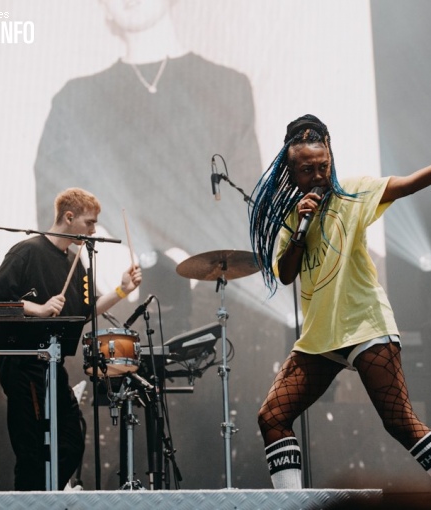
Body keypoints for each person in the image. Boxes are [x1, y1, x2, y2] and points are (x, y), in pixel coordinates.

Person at [248, 114, 431, 491]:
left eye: (324, 165)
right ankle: (290, 504)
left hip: (364, 325)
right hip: (321, 338)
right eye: (308, 169)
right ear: (291, 173)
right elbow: (287, 273)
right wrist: (301, 229)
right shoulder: (291, 219)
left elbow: (407, 186)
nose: (319, 175)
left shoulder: (352, 195)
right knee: (271, 417)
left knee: (399, 421)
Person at [33, 0, 261, 338]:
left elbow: (246, 191)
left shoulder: (228, 86)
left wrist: (206, 258)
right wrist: (95, 258)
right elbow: (54, 202)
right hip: (114, 300)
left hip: (213, 295)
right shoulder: (75, 99)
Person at [0, 187, 142, 490]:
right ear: (69, 217)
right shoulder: (26, 252)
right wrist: (38, 309)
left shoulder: (76, 262)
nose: (94, 230)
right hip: (23, 363)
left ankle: (46, 497)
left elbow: (86, 311)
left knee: (70, 441)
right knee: (32, 451)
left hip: (51, 364)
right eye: (90, 222)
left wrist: (123, 291)